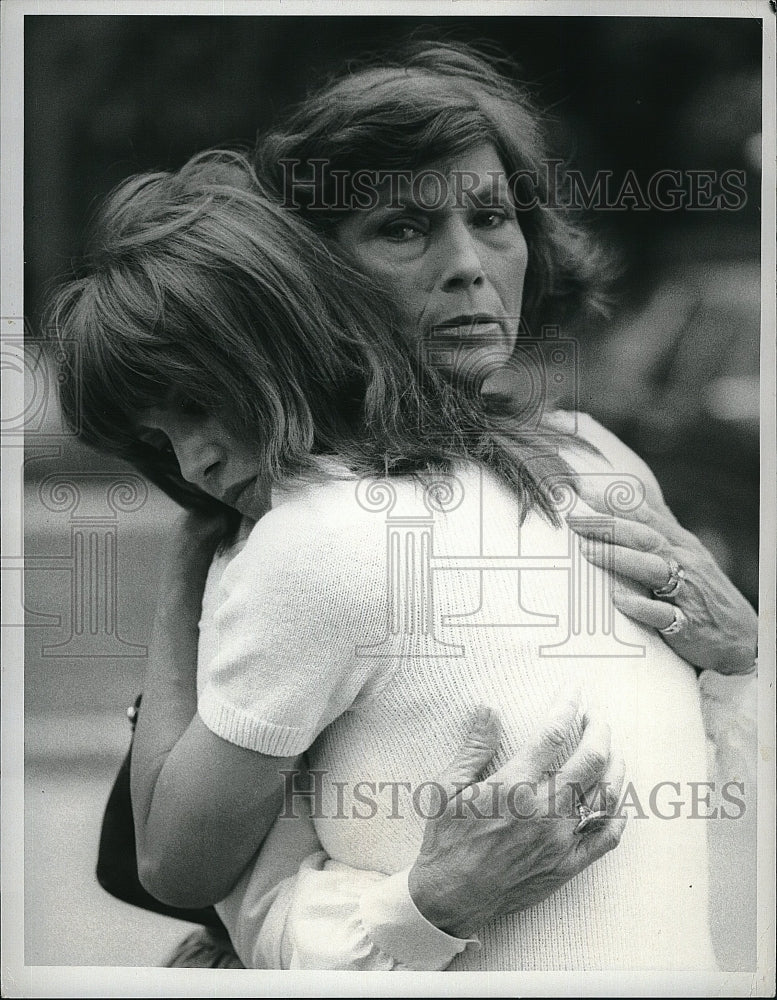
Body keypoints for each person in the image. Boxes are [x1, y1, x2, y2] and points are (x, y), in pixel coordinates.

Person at [52, 149, 719, 974]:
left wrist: (189, 564)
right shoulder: (586, 456)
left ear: (287, 332)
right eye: (159, 441)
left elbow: (172, 867)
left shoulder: (310, 537)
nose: (193, 466)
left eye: (201, 407)